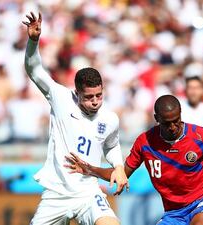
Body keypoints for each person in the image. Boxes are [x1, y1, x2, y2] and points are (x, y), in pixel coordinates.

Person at [65, 95, 203, 225]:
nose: (173, 127)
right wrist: (90, 169)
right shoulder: (145, 142)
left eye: (176, 120)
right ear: (157, 119)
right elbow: (121, 173)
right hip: (174, 213)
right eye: (167, 123)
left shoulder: (201, 136)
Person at [22, 12, 128, 225]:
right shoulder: (61, 98)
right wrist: (33, 41)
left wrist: (118, 166)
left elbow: (111, 145)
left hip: (88, 192)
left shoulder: (110, 119)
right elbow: (34, 70)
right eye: (89, 97)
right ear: (77, 93)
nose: (96, 101)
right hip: (57, 194)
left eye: (99, 95)